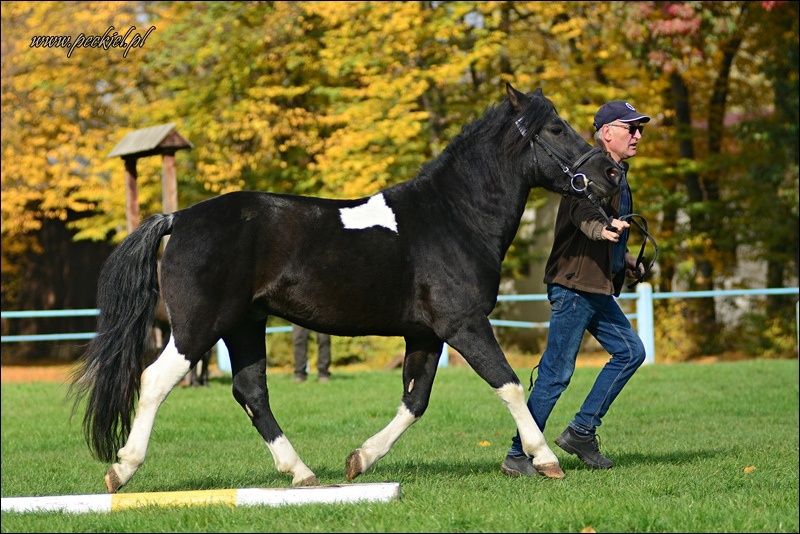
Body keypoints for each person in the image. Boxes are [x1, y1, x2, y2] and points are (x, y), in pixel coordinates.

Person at [501, 100, 650, 477]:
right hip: (573, 287)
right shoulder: (583, 173)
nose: (637, 134)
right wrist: (603, 231)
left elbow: (610, 228)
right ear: (606, 133)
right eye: (630, 127)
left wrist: (628, 260)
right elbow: (586, 217)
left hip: (596, 287)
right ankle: (519, 454)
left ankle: (582, 430)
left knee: (631, 352)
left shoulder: (618, 175)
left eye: (640, 129)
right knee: (556, 372)